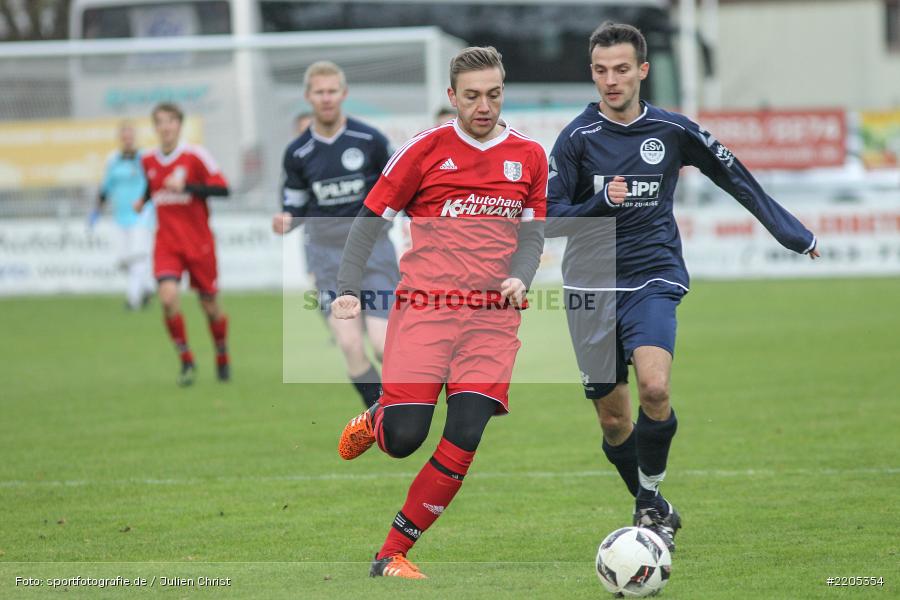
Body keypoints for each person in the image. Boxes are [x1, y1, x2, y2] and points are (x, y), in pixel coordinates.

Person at [546, 22, 820, 553]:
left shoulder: (673, 130)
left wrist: (792, 232)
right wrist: (600, 205)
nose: (611, 80)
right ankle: (654, 506)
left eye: (621, 69)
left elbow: (736, 176)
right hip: (590, 285)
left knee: (654, 388)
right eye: (601, 71)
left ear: (643, 71)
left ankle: (648, 499)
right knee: (612, 418)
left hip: (653, 273)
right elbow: (549, 218)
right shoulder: (575, 139)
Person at [333, 46, 547, 579]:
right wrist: (348, 288)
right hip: (426, 310)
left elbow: (532, 233)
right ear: (452, 96)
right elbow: (369, 220)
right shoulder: (423, 150)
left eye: (493, 94)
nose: (484, 105)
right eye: (472, 96)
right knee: (406, 439)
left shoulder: (531, 156)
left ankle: (390, 554)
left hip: (493, 319)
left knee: (467, 431)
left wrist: (523, 273)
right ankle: (379, 419)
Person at [272, 61, 398, 409]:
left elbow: (397, 189)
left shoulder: (370, 140)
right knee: (349, 345)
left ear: (343, 94)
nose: (326, 98)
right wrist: (286, 219)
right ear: (308, 97)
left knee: (382, 345)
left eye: (332, 91)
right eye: (319, 92)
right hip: (327, 257)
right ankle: (378, 414)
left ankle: (407, 403)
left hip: (373, 251)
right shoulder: (297, 153)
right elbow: (295, 206)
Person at [135, 103, 231, 386]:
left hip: (199, 244)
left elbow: (223, 189)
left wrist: (187, 187)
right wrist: (144, 199)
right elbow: (152, 184)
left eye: (171, 121)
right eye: (160, 122)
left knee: (210, 306)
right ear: (155, 127)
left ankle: (222, 354)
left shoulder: (195, 155)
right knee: (167, 299)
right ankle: (186, 359)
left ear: (180, 125)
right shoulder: (147, 160)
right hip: (167, 243)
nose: (166, 127)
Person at [90, 120, 155, 310]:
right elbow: (106, 187)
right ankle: (147, 286)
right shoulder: (113, 160)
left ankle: (133, 300)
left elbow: (153, 183)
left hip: (142, 215)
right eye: (124, 136)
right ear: (120, 138)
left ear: (135, 138)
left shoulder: (145, 158)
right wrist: (97, 209)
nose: (127, 139)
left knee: (138, 257)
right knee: (123, 259)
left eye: (130, 135)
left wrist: (147, 202)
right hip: (120, 216)